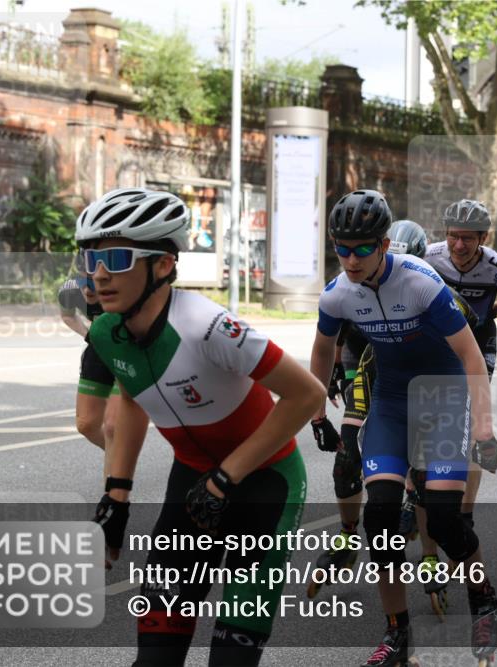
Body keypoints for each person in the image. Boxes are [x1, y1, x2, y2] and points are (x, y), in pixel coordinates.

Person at [78, 187, 324, 667]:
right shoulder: (106, 333)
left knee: (229, 660)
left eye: (118, 258)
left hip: (266, 485)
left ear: (164, 265)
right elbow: (131, 399)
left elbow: (308, 394)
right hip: (192, 486)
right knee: (154, 659)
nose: (100, 274)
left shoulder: (208, 326)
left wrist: (226, 476)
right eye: (90, 258)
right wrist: (117, 495)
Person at [311, 190, 497, 666]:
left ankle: (484, 599)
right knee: (379, 520)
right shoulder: (338, 292)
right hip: (392, 403)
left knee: (442, 519)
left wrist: (483, 430)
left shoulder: (420, 283)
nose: (350, 259)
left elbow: (471, 357)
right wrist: (318, 414)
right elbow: (321, 351)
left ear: (383, 245)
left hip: (443, 397)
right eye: (342, 248)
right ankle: (398, 634)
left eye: (361, 249)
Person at [424, 198, 497, 528]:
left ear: (483, 238)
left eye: (468, 238)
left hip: (479, 342)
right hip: (439, 342)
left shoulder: (496, 266)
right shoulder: (428, 256)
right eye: (454, 236)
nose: (459, 245)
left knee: (471, 426)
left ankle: (465, 513)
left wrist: (493, 310)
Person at [58, 258, 118, 474]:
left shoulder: (119, 286)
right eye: (82, 281)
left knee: (112, 425)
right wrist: (89, 335)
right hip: (98, 351)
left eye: (92, 283)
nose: (87, 289)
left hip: (128, 350)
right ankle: (119, 452)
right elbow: (67, 316)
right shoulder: (68, 290)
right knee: (86, 424)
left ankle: (115, 484)